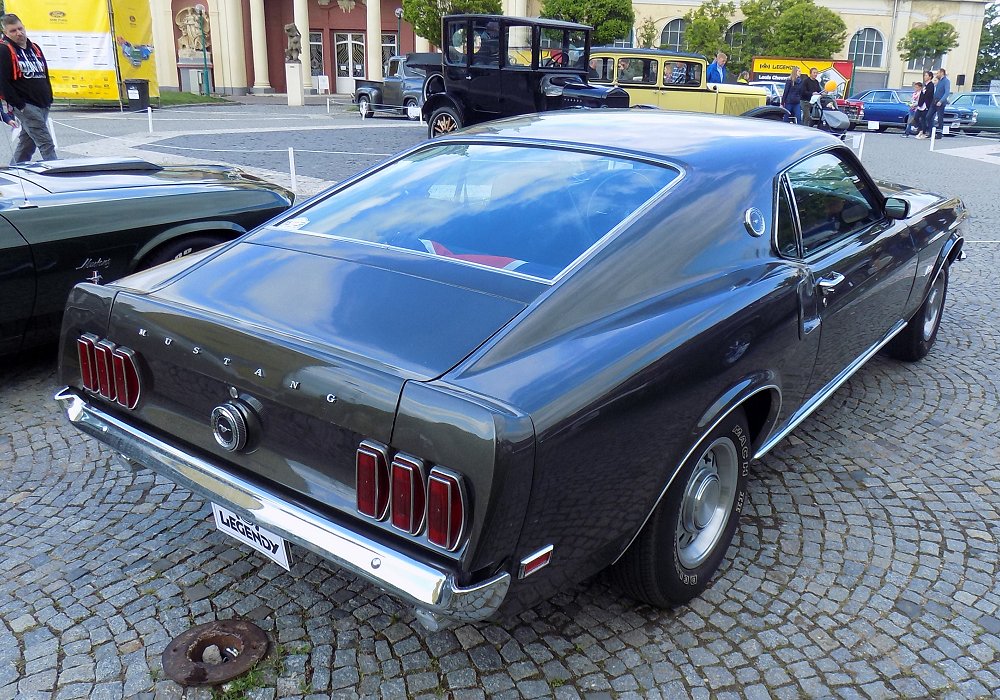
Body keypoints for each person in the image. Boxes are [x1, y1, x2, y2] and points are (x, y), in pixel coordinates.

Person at [0, 13, 56, 164]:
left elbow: (45, 73)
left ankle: (14, 171)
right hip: (26, 105)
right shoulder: (4, 50)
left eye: (20, 29)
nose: (18, 33)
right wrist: (20, 105)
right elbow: (3, 83)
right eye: (13, 31)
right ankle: (57, 170)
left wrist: (49, 96)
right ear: (6, 33)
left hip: (43, 103)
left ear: (24, 27)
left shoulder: (35, 48)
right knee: (46, 142)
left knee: (28, 144)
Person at [929, 67, 951, 138]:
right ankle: (931, 131)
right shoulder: (939, 81)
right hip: (934, 101)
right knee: (928, 116)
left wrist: (941, 101)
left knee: (940, 118)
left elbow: (947, 92)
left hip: (940, 102)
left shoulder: (946, 81)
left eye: (938, 73)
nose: (936, 74)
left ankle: (939, 133)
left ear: (942, 73)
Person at [915, 70, 935, 139]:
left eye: (926, 75)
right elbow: (922, 94)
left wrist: (924, 92)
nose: (925, 77)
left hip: (926, 105)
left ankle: (924, 132)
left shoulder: (931, 85)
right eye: (924, 75)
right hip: (921, 104)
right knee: (916, 117)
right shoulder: (925, 85)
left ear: (930, 77)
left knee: (924, 119)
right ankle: (920, 130)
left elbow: (929, 94)